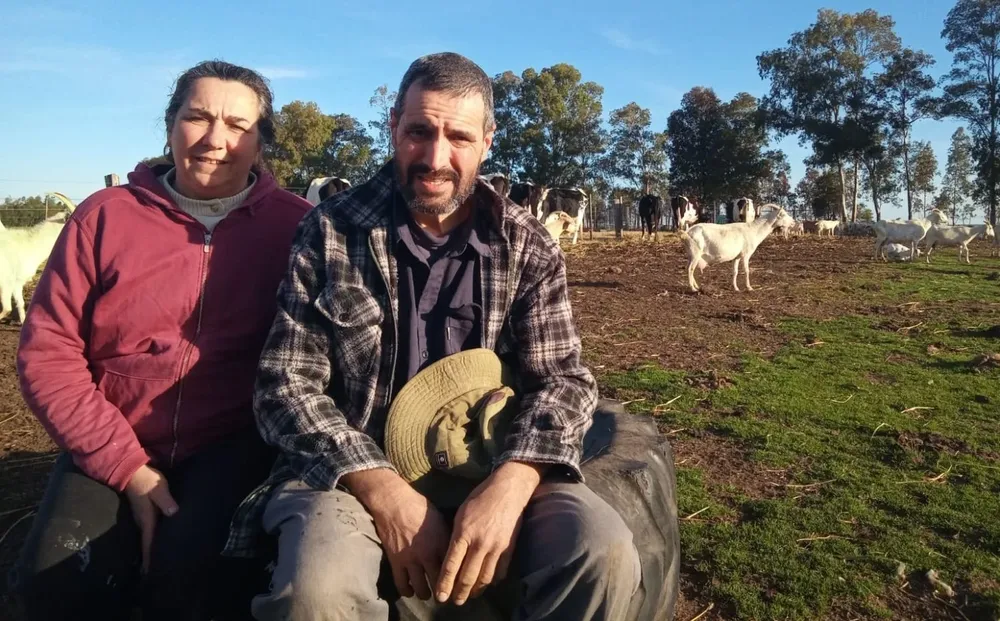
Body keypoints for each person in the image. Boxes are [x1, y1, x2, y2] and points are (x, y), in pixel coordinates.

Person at [224, 52, 641, 620]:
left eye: (459, 137)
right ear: (394, 125)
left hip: (495, 459)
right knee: (317, 588)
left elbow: (562, 381)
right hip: (351, 470)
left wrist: (512, 483)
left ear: (488, 141)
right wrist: (385, 491)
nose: (436, 157)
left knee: (604, 552)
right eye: (419, 131)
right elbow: (285, 385)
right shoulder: (331, 230)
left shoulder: (527, 245)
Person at [9, 60, 312, 621]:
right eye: (197, 117)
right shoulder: (103, 218)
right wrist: (128, 468)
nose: (215, 140)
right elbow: (48, 354)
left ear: (262, 141)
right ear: (170, 125)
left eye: (238, 125)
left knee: (190, 582)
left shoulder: (298, 228)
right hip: (111, 433)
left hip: (230, 444)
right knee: (56, 585)